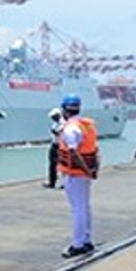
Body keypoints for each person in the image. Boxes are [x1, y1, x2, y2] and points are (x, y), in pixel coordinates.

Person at [56, 94, 99, 258]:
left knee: (78, 209)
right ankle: (86, 240)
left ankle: (78, 244)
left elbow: (73, 153)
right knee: (84, 207)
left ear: (64, 110)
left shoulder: (70, 129)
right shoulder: (86, 125)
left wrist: (86, 171)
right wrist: (94, 170)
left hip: (75, 173)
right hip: (86, 172)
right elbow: (95, 149)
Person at [43, 107, 63, 189]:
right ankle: (52, 182)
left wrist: (55, 132)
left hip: (61, 146)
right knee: (52, 165)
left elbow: (61, 133)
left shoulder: (64, 123)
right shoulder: (55, 124)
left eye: (54, 117)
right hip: (54, 145)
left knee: (63, 165)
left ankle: (65, 183)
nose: (53, 118)